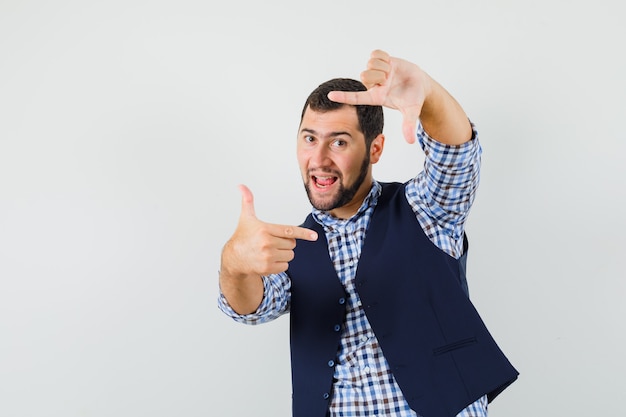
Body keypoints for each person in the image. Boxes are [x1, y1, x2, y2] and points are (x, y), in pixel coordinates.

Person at [217, 49, 518, 417]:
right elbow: (251, 308)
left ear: (375, 148)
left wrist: (430, 94)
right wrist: (233, 264)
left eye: (339, 142)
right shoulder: (294, 246)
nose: (320, 157)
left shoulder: (424, 210)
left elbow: (456, 157)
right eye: (310, 139)